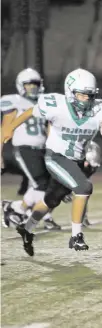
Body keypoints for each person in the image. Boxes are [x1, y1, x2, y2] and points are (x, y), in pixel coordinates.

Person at [1, 68, 102, 256]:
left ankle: (26, 228)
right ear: (70, 92)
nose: (86, 99)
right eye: (82, 95)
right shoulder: (56, 105)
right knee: (84, 187)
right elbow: (30, 111)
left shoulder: (101, 110)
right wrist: (10, 128)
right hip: (56, 157)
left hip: (76, 160)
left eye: (89, 95)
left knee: (51, 199)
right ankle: (76, 236)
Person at [0, 68, 61, 230]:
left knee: (44, 184)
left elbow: (49, 127)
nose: (32, 87)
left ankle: (16, 207)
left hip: (41, 148)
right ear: (21, 86)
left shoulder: (44, 102)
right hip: (24, 148)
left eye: (35, 84)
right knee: (41, 184)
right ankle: (44, 217)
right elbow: (5, 128)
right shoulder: (13, 101)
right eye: (28, 85)